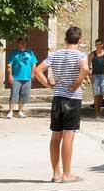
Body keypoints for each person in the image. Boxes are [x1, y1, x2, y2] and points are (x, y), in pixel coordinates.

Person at [32, 27, 89, 182]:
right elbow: (85, 68)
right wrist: (76, 84)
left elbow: (37, 71)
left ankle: (56, 173)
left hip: (58, 97)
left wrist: (48, 85)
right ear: (80, 40)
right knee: (68, 136)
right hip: (72, 98)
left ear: (65, 39)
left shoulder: (55, 54)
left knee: (56, 136)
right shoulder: (80, 55)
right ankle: (67, 174)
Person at [6, 38, 37, 119]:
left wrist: (33, 73)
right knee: (14, 95)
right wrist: (10, 76)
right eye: (20, 43)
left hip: (27, 77)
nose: (22, 44)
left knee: (24, 95)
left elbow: (34, 64)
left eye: (24, 43)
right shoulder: (14, 53)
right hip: (16, 77)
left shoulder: (30, 53)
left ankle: (20, 111)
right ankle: (10, 111)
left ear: (26, 44)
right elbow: (9, 65)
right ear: (17, 44)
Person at [90, 40, 104, 119]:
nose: (98, 46)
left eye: (99, 44)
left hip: (103, 76)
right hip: (95, 76)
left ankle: (99, 111)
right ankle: (97, 113)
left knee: (102, 94)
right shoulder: (92, 54)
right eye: (96, 45)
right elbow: (88, 66)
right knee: (96, 95)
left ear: (102, 45)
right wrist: (90, 77)